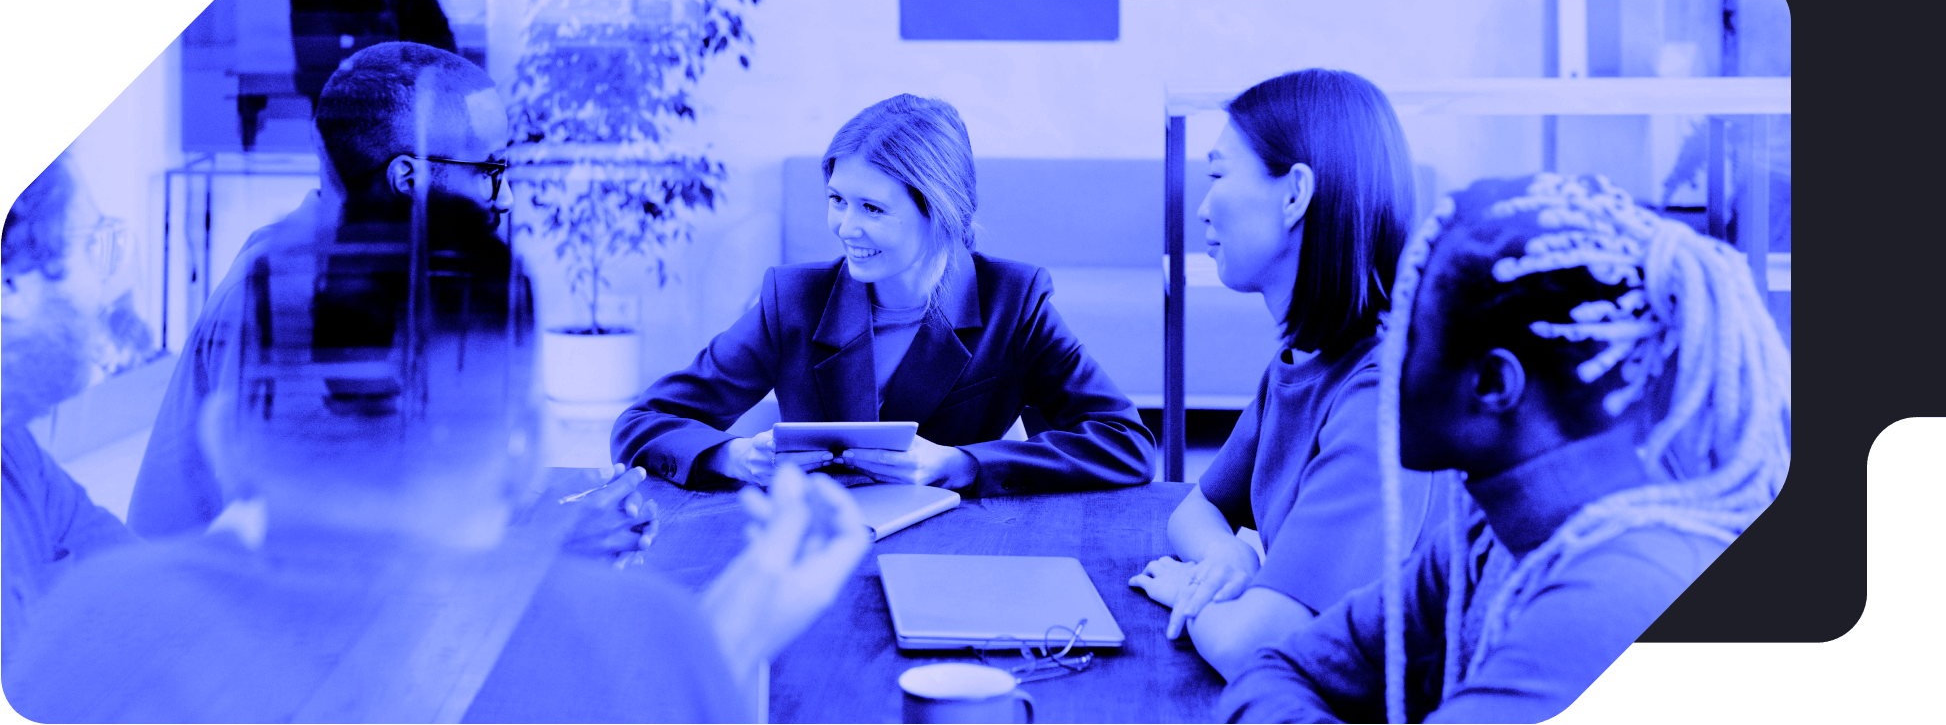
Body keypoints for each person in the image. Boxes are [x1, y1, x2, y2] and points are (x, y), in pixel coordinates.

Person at [7, 99, 874, 722]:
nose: (505, 191)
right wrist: (722, 625)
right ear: (528, 442)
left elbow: (232, 608)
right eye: (490, 169)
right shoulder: (641, 640)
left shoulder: (91, 622)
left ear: (224, 431)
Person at [1215, 173, 1791, 723]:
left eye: (1407, 335)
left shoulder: (1617, 593)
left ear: (1493, 384)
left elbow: (1272, 685)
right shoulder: (1483, 539)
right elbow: (1274, 670)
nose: (1382, 357)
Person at [614, 93, 1155, 494]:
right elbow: (640, 425)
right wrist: (733, 458)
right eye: (837, 199)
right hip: (817, 556)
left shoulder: (1014, 301)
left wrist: (960, 464)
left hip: (961, 552)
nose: (845, 226)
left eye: (872, 208)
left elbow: (1127, 445)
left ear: (940, 212)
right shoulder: (793, 302)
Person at [1128, 69, 1450, 680]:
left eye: (1218, 174)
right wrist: (1226, 559)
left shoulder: (1381, 396)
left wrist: (1190, 594)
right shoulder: (1304, 358)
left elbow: (1259, 650)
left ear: (1295, 194)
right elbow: (1193, 513)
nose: (1201, 206)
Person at [130, 41, 515, 538]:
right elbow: (317, 535)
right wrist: (547, 543)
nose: (505, 198)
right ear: (409, 181)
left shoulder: (380, 277)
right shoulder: (285, 304)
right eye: (491, 170)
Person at [1, 156, 142, 684]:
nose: (104, 292)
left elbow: (137, 584)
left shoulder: (16, 449)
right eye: (91, 247)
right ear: (9, 285)